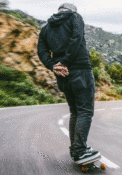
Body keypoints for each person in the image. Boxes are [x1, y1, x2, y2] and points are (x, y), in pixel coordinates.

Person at [37, 3, 100, 165]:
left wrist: (53, 65)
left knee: (75, 112)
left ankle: (76, 149)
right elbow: (76, 38)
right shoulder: (75, 17)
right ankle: (79, 151)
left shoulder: (46, 28)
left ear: (59, 11)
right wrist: (65, 62)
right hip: (80, 71)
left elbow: (41, 51)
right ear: (72, 11)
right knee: (85, 111)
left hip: (62, 75)